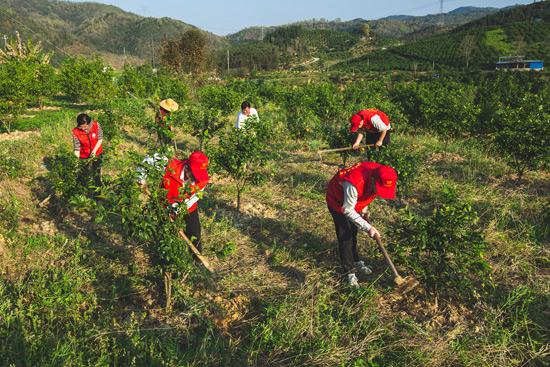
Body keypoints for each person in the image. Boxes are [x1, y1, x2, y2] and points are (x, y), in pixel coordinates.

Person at [326, 162, 398, 287]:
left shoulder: (379, 173)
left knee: (354, 231)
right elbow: (347, 209)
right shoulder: (354, 183)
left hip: (351, 201)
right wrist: (368, 227)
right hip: (337, 201)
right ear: (372, 180)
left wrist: (364, 208)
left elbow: (367, 192)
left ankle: (356, 260)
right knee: (346, 235)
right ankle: (349, 273)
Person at [162, 151, 210, 254]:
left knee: (195, 233)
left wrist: (176, 210)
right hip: (163, 205)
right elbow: (152, 158)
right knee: (166, 234)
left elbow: (193, 198)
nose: (197, 178)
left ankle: (197, 260)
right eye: (195, 173)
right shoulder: (172, 166)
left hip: (188, 206)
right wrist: (141, 178)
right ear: (187, 167)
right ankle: (167, 258)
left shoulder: (202, 180)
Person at [72, 113, 103, 187]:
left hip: (97, 153)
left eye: (85, 127)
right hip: (84, 155)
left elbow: (100, 138)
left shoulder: (96, 125)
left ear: (88, 123)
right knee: (83, 174)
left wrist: (94, 152)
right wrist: (76, 163)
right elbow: (77, 149)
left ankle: (98, 193)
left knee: (96, 174)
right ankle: (82, 190)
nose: (83, 129)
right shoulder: (75, 132)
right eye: (81, 127)